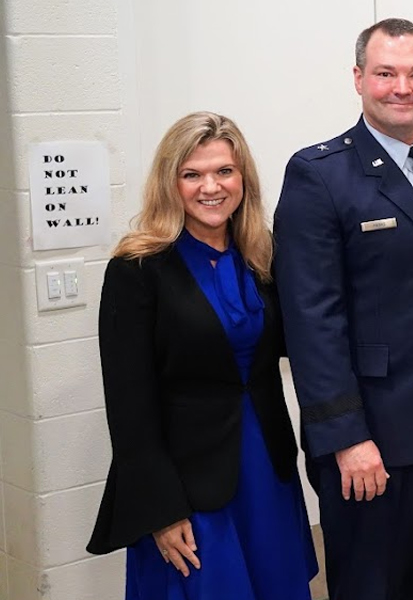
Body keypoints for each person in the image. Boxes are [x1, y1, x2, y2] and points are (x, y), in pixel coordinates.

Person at [273, 18, 413, 599]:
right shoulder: (319, 174)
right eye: (386, 74)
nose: (403, 87)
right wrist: (346, 436)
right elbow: (310, 318)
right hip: (374, 437)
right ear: (358, 79)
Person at [87, 112, 318, 599]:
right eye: (192, 174)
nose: (210, 187)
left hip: (266, 470)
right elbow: (129, 406)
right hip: (188, 485)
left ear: (243, 180)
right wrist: (160, 509)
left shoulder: (262, 256)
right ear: (171, 183)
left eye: (223, 172)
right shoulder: (138, 269)